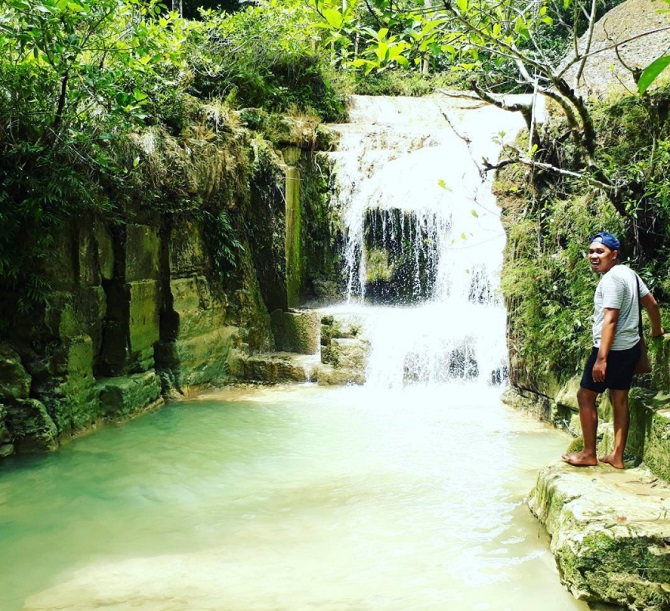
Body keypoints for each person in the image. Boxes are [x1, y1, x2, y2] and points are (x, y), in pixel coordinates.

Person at [562, 231, 664, 469]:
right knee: (620, 400)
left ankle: (589, 453)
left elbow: (610, 319)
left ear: (614, 254)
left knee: (585, 397)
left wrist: (601, 359)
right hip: (629, 349)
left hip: (610, 351)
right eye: (591, 251)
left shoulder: (610, 280)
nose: (594, 256)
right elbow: (652, 303)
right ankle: (617, 457)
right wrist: (656, 330)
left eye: (600, 252)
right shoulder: (630, 274)